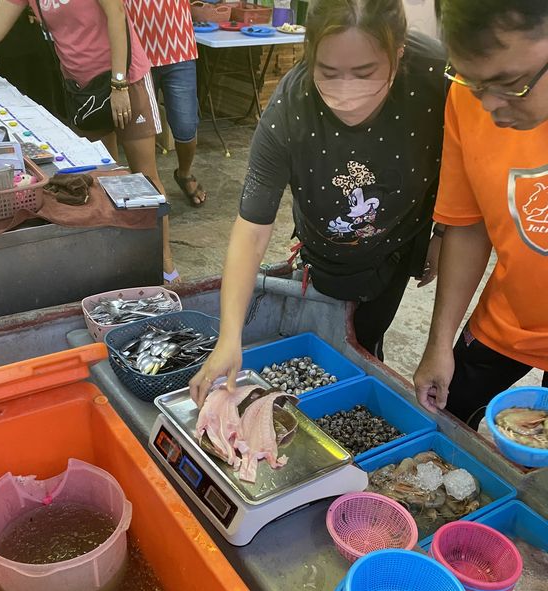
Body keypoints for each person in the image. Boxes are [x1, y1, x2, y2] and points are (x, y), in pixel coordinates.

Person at [190, 0, 447, 405]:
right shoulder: (288, 111)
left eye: (365, 74)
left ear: (399, 53)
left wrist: (443, 229)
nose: (345, 93)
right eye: (328, 73)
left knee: (369, 335)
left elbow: (469, 166)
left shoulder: (437, 77)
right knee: (336, 337)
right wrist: (229, 337)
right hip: (325, 248)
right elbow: (252, 230)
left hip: (399, 240)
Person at [0, 0, 180, 285]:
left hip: (126, 79)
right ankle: (123, 262)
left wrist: (119, 83)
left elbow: (117, 14)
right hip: (82, 88)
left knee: (144, 178)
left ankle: (165, 262)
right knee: (104, 178)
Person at [414, 0, 548, 428]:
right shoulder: (468, 101)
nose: (490, 105)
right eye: (474, 81)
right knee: (443, 421)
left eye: (511, 83)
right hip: (513, 316)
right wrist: (439, 343)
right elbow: (468, 224)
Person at [125, 0, 207, 211]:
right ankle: (149, 189)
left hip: (179, 48)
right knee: (140, 130)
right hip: (135, 54)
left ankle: (184, 173)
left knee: (186, 126)